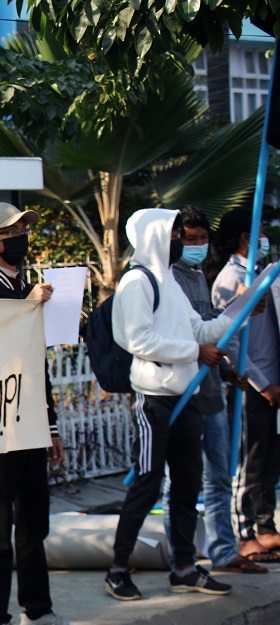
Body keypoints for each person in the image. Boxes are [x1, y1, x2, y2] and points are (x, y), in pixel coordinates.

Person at [0, 202, 88, 625]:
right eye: (9, 230)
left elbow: (37, 366)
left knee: (34, 522)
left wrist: (51, 426)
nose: (20, 235)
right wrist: (26, 308)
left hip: (31, 426)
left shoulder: (30, 290)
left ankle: (37, 612)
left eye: (22, 228)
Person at [104, 208, 234, 602]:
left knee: (187, 485)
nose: (180, 239)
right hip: (154, 400)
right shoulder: (136, 282)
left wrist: (237, 312)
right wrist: (194, 352)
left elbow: (201, 329)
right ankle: (117, 569)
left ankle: (184, 567)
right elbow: (136, 340)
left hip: (186, 396)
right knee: (147, 483)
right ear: (156, 235)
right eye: (175, 232)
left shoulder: (171, 283)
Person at [161, 205, 267, 573]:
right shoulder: (164, 280)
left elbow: (209, 329)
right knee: (180, 483)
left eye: (203, 239)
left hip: (209, 393)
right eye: (190, 239)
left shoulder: (198, 276)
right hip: (180, 395)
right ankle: (181, 558)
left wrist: (225, 370)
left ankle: (224, 550)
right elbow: (168, 337)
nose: (198, 245)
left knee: (219, 477)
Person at [210, 209, 280, 563]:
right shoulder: (230, 279)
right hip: (253, 384)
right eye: (261, 230)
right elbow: (231, 340)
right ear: (245, 238)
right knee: (249, 460)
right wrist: (262, 382)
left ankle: (266, 527)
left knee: (269, 459)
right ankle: (245, 532)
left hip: (271, 381)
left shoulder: (263, 274)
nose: (265, 235)